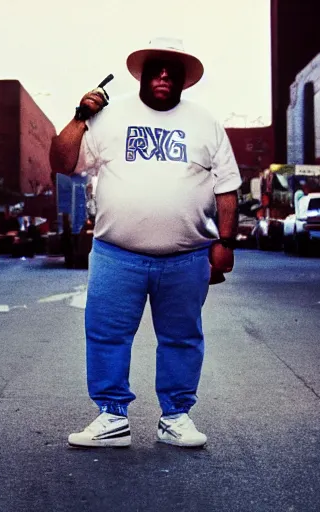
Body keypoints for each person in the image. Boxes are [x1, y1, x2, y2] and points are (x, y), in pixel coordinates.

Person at [50, 37, 242, 448]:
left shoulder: (205, 122)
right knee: (106, 334)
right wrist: (81, 115)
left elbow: (227, 187)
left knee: (182, 337)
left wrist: (226, 241)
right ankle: (111, 417)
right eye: (156, 68)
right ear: (142, 74)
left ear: (184, 80)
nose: (164, 76)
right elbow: (62, 161)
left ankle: (176, 416)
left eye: (173, 72)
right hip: (117, 254)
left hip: (187, 256)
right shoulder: (110, 116)